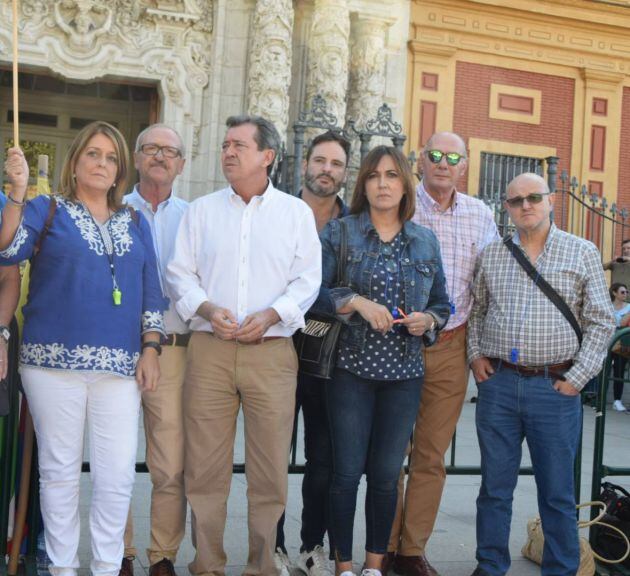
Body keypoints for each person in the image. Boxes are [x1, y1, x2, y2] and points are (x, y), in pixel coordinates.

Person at [1, 121, 166, 576]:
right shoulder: (44, 208)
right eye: (92, 154)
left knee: (115, 478)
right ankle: (62, 568)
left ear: (121, 172)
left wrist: (151, 347)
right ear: (74, 163)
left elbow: (152, 290)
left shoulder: (135, 221)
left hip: (120, 366)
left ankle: (108, 567)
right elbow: (8, 250)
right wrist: (16, 194)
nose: (101, 163)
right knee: (60, 475)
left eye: (111, 157)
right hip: (52, 365)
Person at [165, 115, 322, 576]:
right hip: (210, 349)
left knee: (269, 471)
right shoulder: (201, 210)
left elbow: (307, 280)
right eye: (225, 144)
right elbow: (179, 273)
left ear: (267, 156)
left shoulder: (295, 214)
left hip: (272, 354)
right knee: (205, 469)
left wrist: (273, 315)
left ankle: (261, 566)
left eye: (239, 145)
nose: (228, 152)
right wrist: (209, 309)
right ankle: (207, 564)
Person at [468, 172, 614, 576]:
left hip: (555, 387)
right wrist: (476, 356)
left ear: (550, 201)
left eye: (534, 197)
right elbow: (477, 310)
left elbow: (602, 321)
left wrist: (578, 378)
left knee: (557, 494)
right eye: (516, 201)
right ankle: (490, 566)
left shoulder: (581, 251)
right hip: (499, 385)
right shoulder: (493, 253)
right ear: (507, 208)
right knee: (494, 490)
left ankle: (562, 569)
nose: (525, 205)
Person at [314, 145, 450, 576]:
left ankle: (374, 566)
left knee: (387, 476)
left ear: (404, 183)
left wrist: (426, 319)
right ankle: (344, 566)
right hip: (350, 370)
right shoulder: (341, 233)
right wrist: (354, 300)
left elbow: (443, 305)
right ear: (364, 185)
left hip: (404, 375)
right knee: (346, 473)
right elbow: (312, 293)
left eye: (392, 175)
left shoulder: (424, 239)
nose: (383, 184)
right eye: (374, 176)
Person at [386, 132, 498, 576]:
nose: (444, 163)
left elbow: (488, 283)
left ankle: (412, 551)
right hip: (398, 343)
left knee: (431, 455)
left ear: (465, 166)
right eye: (435, 155)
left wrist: (477, 348)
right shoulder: (403, 206)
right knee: (391, 452)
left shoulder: (480, 214)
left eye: (454, 157)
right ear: (420, 160)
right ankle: (384, 546)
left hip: (451, 346)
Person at [274, 130, 351, 576]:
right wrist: (337, 300)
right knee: (273, 457)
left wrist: (329, 299)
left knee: (324, 458)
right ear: (305, 164)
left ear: (344, 172)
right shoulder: (277, 212)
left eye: (336, 163)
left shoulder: (354, 223)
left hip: (332, 358)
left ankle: (311, 546)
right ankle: (275, 547)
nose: (326, 169)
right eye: (320, 160)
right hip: (279, 350)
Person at [120, 124, 190, 576]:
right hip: (118, 349)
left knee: (170, 463)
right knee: (116, 460)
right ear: (137, 157)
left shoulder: (195, 215)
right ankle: (119, 554)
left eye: (170, 151)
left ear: (182, 164)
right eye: (151, 149)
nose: (160, 157)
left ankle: (162, 555)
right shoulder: (112, 208)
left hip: (174, 352)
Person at [609, 282, 630, 412]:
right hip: (607, 342)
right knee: (603, 371)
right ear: (614, 293)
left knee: (619, 370)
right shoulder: (608, 307)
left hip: (622, 342)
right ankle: (598, 399)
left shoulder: (629, 307)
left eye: (627, 292)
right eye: (622, 292)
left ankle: (617, 400)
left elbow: (622, 323)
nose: (625, 294)